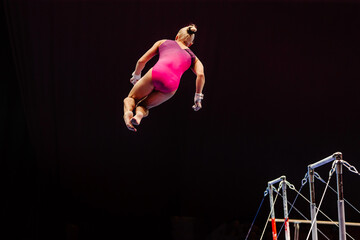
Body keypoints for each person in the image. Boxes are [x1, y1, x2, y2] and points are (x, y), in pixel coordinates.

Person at [123, 24, 205, 132]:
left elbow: (141, 61)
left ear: (177, 37)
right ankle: (138, 115)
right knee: (144, 106)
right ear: (190, 44)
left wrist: (136, 76)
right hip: (172, 85)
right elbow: (200, 75)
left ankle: (128, 113)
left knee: (131, 98)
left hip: (157, 73)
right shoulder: (194, 58)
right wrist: (198, 97)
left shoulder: (163, 42)